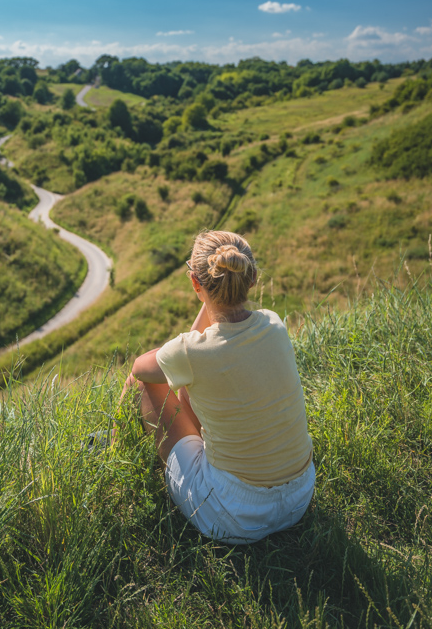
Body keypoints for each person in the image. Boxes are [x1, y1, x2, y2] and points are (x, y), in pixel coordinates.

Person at [120, 230, 314, 544]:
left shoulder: (190, 352)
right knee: (188, 385)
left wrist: (206, 299)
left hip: (235, 514)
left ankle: (110, 449)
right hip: (300, 496)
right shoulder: (275, 324)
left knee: (140, 384)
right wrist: (212, 297)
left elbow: (141, 368)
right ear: (251, 281)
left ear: (195, 282)